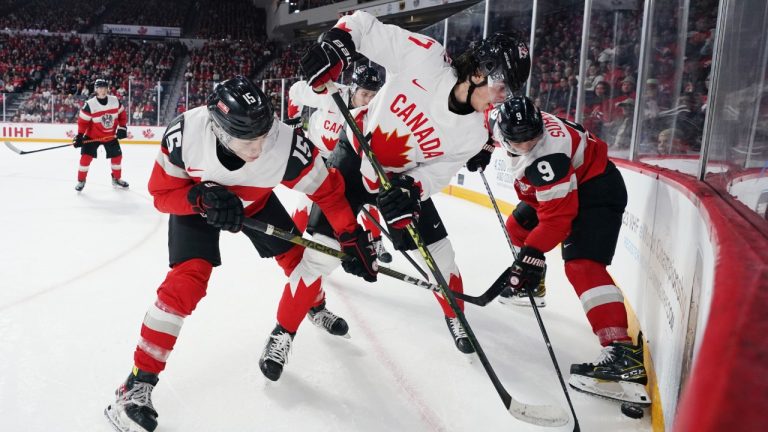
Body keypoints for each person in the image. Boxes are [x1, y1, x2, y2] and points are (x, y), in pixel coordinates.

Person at [104, 76, 378, 432]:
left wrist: (349, 234)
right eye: (247, 139)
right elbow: (160, 194)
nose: (259, 148)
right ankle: (136, 385)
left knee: (300, 264)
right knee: (186, 283)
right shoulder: (186, 133)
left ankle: (315, 306)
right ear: (218, 129)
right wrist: (198, 198)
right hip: (200, 206)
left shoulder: (285, 145)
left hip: (257, 201)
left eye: (263, 135)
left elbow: (329, 192)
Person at [299, 10, 530, 355]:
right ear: (480, 72)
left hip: (395, 178)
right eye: (503, 86)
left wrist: (413, 188)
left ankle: (456, 317)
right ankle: (305, 313)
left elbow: (437, 171)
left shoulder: (474, 127)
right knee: (321, 254)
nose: (503, 97)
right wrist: (338, 44)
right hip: (354, 155)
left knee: (441, 257)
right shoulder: (426, 58)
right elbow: (361, 25)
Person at [488, 96, 649, 405]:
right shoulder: (499, 120)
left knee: (582, 265)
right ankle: (532, 288)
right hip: (559, 187)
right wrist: (483, 148)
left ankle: (622, 353)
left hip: (593, 189)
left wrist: (531, 256)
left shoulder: (549, 156)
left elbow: (559, 218)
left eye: (532, 138)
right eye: (517, 141)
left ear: (540, 129)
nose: (526, 146)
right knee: (517, 229)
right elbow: (482, 121)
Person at [287, 64, 393, 263]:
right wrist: (294, 123)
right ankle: (292, 244)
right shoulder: (330, 94)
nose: (370, 100)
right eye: (365, 94)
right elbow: (295, 91)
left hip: (349, 160)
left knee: (366, 199)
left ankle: (375, 241)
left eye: (374, 95)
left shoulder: (376, 111)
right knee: (308, 201)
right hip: (319, 156)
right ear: (353, 89)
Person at [72, 78, 129, 191]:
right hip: (93, 137)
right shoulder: (90, 104)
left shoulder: (114, 101)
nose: (103, 90)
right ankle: (81, 180)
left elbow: (122, 114)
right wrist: (79, 136)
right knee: (85, 159)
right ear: (96, 90)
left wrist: (122, 127)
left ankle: (116, 179)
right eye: (100, 88)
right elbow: (83, 122)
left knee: (117, 157)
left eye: (105, 88)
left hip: (110, 136)